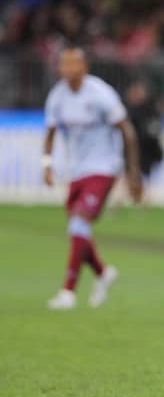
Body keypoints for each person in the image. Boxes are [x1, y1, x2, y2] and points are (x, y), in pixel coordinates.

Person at [43, 47, 143, 310]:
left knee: (79, 221)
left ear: (84, 67)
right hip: (75, 170)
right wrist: (47, 164)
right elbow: (51, 132)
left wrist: (133, 172)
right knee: (77, 229)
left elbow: (127, 131)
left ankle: (68, 292)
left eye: (72, 64)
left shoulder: (101, 94)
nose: (66, 69)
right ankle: (102, 273)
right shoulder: (57, 97)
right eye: (63, 64)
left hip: (103, 168)